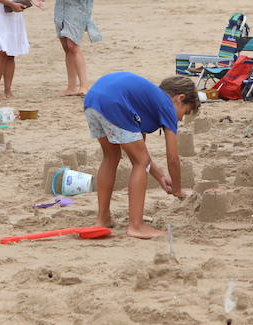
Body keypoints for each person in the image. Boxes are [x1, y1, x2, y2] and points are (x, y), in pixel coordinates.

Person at [83, 72, 196, 239]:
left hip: (93, 99)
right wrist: (178, 189)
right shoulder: (166, 106)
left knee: (111, 157)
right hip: (114, 103)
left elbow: (139, 153)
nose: (180, 119)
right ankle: (136, 226)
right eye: (185, 112)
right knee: (140, 162)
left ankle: (103, 218)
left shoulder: (145, 102)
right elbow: (172, 159)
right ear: (180, 98)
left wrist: (160, 177)